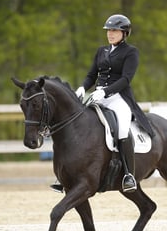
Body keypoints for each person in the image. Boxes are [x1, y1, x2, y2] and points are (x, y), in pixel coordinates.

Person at [51, 14, 154, 193]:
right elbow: (92, 75)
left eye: (114, 31)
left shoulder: (131, 52)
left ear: (124, 33)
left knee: (122, 129)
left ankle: (129, 175)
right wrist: (83, 88)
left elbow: (126, 79)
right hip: (97, 95)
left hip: (119, 98)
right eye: (109, 31)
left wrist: (105, 91)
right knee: (76, 124)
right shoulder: (101, 51)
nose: (110, 34)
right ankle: (65, 175)